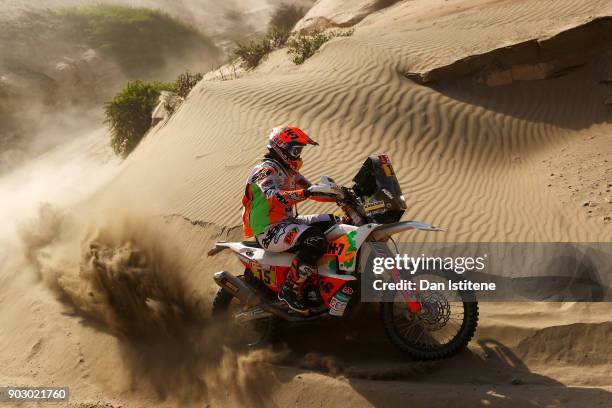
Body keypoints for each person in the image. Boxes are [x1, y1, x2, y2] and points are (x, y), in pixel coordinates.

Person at [242, 125, 338, 314]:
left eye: (299, 150)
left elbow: (312, 191)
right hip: (268, 230)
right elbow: (271, 195)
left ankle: (322, 280)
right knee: (315, 240)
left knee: (334, 222)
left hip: (286, 223)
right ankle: (289, 291)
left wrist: (340, 194)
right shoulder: (265, 169)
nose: (298, 154)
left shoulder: (289, 172)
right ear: (281, 148)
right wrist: (304, 192)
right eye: (295, 150)